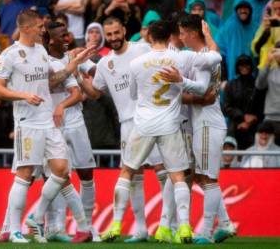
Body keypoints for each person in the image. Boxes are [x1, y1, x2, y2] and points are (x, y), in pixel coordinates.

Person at [98, 19, 223, 244]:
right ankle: (184, 227)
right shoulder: (181, 57)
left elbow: (134, 95)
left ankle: (116, 224)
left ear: (150, 38)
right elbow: (215, 58)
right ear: (170, 37)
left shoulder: (137, 63)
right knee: (177, 177)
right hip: (169, 124)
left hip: (143, 123)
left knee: (127, 171)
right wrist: (210, 42)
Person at [0, 9, 95, 243]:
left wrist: (71, 67)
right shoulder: (10, 55)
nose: (43, 30)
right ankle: (15, 229)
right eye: (39, 26)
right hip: (27, 124)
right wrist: (23, 96)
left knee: (61, 171)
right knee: (25, 174)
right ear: (26, 28)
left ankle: (36, 217)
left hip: (48, 122)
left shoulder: (40, 51)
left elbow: (53, 79)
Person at [80, 16, 167, 243]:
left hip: (151, 118)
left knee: (163, 172)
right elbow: (97, 93)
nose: (113, 38)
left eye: (116, 33)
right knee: (135, 176)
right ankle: (141, 229)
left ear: (124, 30)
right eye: (109, 35)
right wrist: (78, 78)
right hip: (127, 124)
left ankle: (170, 225)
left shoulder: (143, 49)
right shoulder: (104, 64)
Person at [161, 14, 235, 244]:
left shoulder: (202, 58)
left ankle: (206, 232)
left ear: (192, 33)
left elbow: (202, 89)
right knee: (202, 176)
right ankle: (224, 224)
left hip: (206, 123)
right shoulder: (207, 53)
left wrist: (178, 81)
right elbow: (214, 53)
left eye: (182, 32)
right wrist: (210, 36)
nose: (180, 37)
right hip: (206, 122)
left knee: (207, 177)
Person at [45, 21, 99, 242]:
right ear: (50, 40)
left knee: (86, 173)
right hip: (52, 123)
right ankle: (54, 226)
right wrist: (71, 67)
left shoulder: (74, 57)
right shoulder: (43, 60)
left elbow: (96, 90)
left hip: (76, 121)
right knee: (57, 175)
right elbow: (48, 85)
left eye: (67, 34)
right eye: (62, 36)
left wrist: (81, 72)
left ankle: (87, 226)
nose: (67, 39)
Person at [223, 54, 260, 150]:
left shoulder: (258, 84)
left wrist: (251, 121)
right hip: (234, 127)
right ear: (237, 67)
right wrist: (243, 116)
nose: (244, 67)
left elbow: (262, 106)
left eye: (246, 64)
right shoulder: (231, 85)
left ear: (251, 66)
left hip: (254, 127)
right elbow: (226, 108)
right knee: (232, 156)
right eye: (241, 65)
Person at [215, 0, 258, 81]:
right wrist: (224, 78)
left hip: (252, 76)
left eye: (246, 8)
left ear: (250, 11)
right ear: (236, 11)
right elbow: (219, 53)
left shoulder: (255, 28)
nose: (243, 11)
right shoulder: (228, 28)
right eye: (240, 8)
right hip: (232, 77)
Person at [255, 42, 280, 146]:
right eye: (276, 52)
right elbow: (259, 85)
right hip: (270, 117)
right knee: (268, 151)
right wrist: (267, 62)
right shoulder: (271, 70)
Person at [251, 0, 280, 69]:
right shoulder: (267, 23)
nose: (278, 12)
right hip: (268, 70)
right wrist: (266, 33)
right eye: (275, 9)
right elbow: (255, 49)